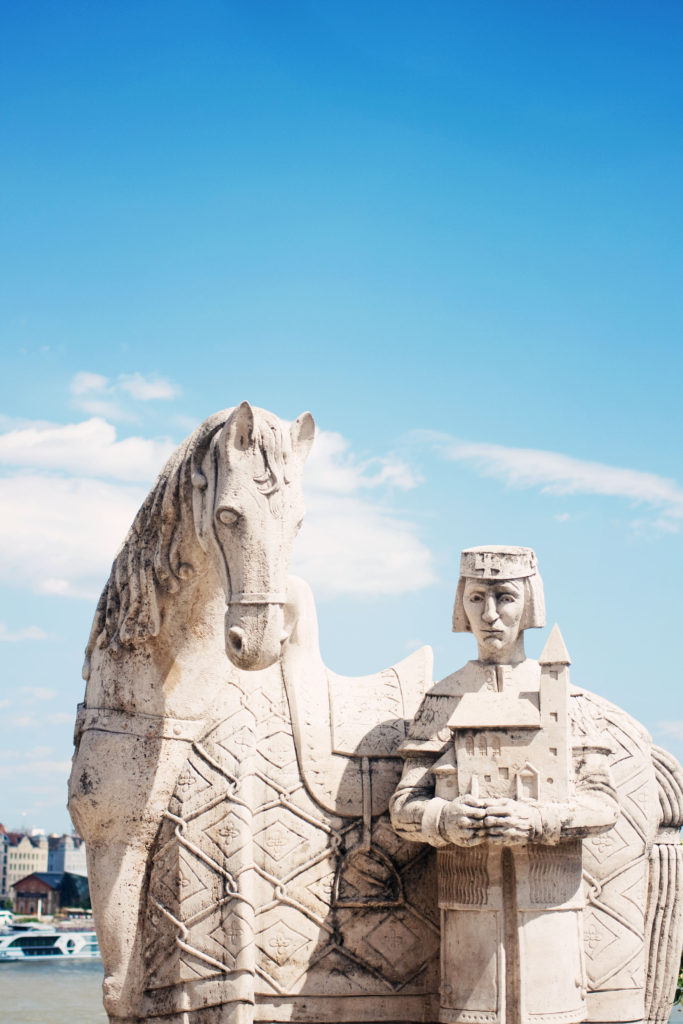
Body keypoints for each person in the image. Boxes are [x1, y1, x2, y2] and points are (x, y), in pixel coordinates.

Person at [390, 545, 619, 1024]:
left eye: (505, 597)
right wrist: (446, 819)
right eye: (476, 598)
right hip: (467, 913)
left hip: (551, 911)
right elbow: (404, 805)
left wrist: (537, 821)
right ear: (461, 603)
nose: (490, 614)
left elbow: (602, 804)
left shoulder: (566, 697)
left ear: (529, 602)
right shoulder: (442, 698)